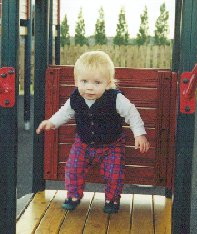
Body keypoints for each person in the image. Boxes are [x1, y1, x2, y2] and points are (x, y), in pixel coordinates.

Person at [36, 51, 150, 214]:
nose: (89, 87)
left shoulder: (115, 98)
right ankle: (73, 195)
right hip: (83, 143)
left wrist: (139, 133)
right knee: (73, 167)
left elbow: (131, 113)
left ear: (108, 83)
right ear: (76, 81)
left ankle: (112, 198)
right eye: (84, 81)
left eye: (97, 82)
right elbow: (65, 112)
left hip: (112, 145)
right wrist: (52, 122)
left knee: (114, 173)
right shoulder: (76, 97)